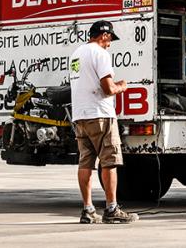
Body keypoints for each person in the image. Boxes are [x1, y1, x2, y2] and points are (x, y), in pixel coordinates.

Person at [68, 20, 138, 224]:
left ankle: (88, 210)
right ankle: (111, 208)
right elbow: (107, 88)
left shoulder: (76, 54)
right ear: (104, 36)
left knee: (85, 163)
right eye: (110, 40)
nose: (110, 44)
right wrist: (122, 87)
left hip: (80, 115)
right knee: (109, 161)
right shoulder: (100, 54)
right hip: (100, 114)